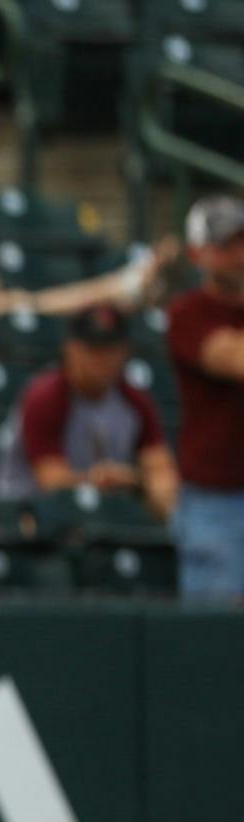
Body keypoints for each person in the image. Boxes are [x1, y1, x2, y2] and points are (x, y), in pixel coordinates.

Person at [0, 305, 177, 511]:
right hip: (28, 512)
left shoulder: (135, 400)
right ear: (71, 349)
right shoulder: (46, 395)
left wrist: (137, 482)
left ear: (124, 352)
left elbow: (162, 471)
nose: (101, 360)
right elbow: (52, 482)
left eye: (110, 350)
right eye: (92, 349)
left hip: (98, 517)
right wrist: (98, 480)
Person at [167, 194, 244, 603]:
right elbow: (234, 359)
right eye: (226, 246)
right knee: (217, 642)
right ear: (199, 254)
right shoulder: (191, 312)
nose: (238, 255)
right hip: (216, 501)